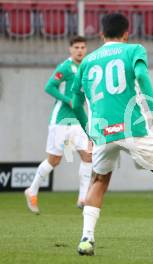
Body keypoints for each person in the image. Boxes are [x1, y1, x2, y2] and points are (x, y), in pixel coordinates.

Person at [70, 13, 153, 255]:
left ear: (101, 34)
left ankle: (86, 240)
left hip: (102, 131)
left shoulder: (87, 61)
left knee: (98, 180)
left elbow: (75, 103)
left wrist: (89, 130)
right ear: (127, 33)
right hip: (133, 126)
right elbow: (140, 75)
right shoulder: (133, 50)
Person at [24, 36, 92, 214]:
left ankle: (83, 198)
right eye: (76, 47)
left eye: (83, 47)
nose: (80, 50)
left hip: (78, 119)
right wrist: (67, 100)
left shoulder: (86, 67)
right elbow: (49, 86)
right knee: (54, 160)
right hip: (61, 120)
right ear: (70, 49)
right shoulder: (65, 67)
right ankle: (32, 190)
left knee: (87, 156)